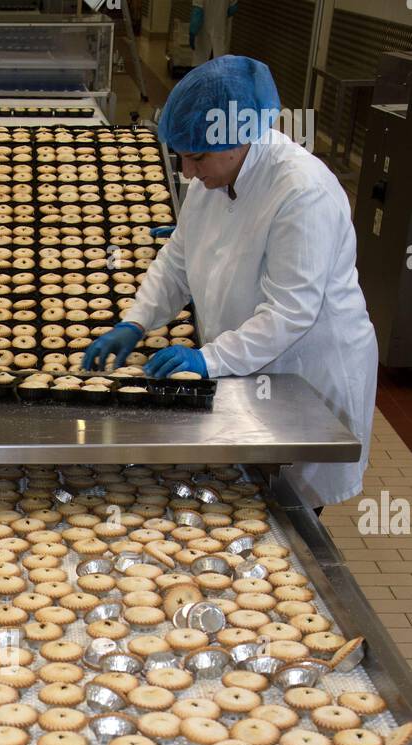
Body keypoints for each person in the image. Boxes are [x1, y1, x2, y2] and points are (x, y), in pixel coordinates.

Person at [84, 56, 378, 510]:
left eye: (195, 157)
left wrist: (207, 359)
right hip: (245, 364)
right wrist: (136, 322)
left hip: (304, 370)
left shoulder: (301, 193)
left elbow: (289, 312)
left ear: (238, 139)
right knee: (247, 489)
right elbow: (177, 258)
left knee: (290, 504)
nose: (185, 172)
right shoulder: (211, 179)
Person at [190, 1, 238, 65]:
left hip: (203, 29)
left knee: (200, 61)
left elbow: (197, 12)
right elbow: (233, 9)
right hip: (220, 27)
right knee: (220, 60)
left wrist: (192, 32)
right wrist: (221, 16)